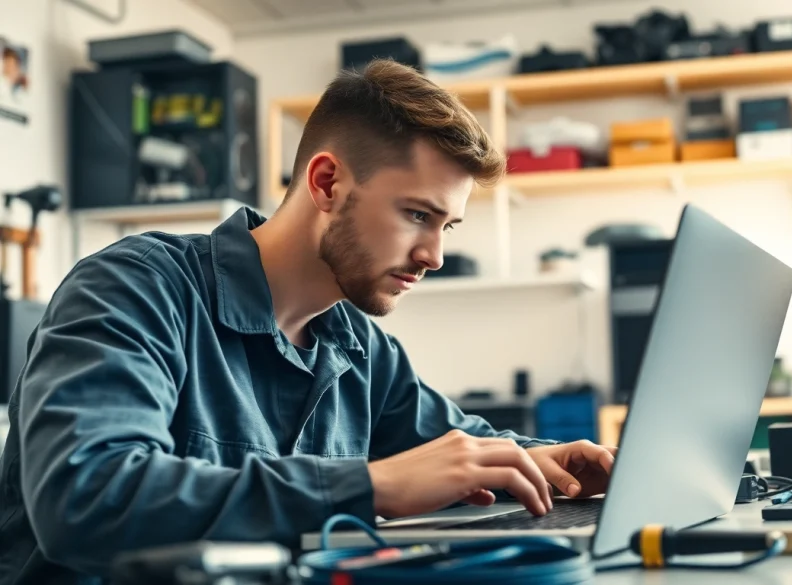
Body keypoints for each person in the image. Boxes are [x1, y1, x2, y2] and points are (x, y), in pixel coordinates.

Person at [0, 59, 618, 584]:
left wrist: (548, 460)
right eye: (416, 216)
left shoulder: (361, 350)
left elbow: (459, 448)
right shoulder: (135, 287)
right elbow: (86, 496)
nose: (433, 256)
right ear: (326, 183)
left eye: (445, 227)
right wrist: (366, 486)